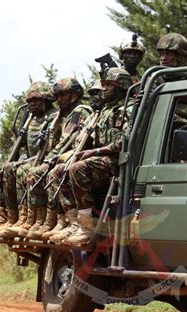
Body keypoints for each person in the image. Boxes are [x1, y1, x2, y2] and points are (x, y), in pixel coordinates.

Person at [47, 67, 133, 246]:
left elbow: (124, 141)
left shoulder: (127, 108)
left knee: (78, 168)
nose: (104, 89)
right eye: (104, 85)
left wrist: (95, 152)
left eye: (109, 85)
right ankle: (73, 223)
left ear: (120, 86)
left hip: (119, 160)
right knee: (58, 171)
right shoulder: (103, 110)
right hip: (102, 158)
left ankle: (87, 227)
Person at [0, 81, 57, 237]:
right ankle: (4, 217)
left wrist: (26, 161)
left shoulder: (54, 118)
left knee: (21, 171)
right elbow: (22, 148)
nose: (32, 104)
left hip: (44, 160)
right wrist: (21, 158)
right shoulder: (30, 120)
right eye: (29, 101)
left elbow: (53, 148)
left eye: (36, 100)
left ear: (46, 100)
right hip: (30, 158)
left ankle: (27, 218)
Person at [22, 78, 93, 240]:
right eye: (57, 95)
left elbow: (64, 144)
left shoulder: (79, 112)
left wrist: (49, 160)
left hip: (76, 158)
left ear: (74, 95)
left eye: (62, 95)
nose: (58, 99)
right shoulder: (65, 114)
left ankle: (62, 222)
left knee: (48, 172)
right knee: (39, 171)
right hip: (67, 158)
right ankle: (43, 221)